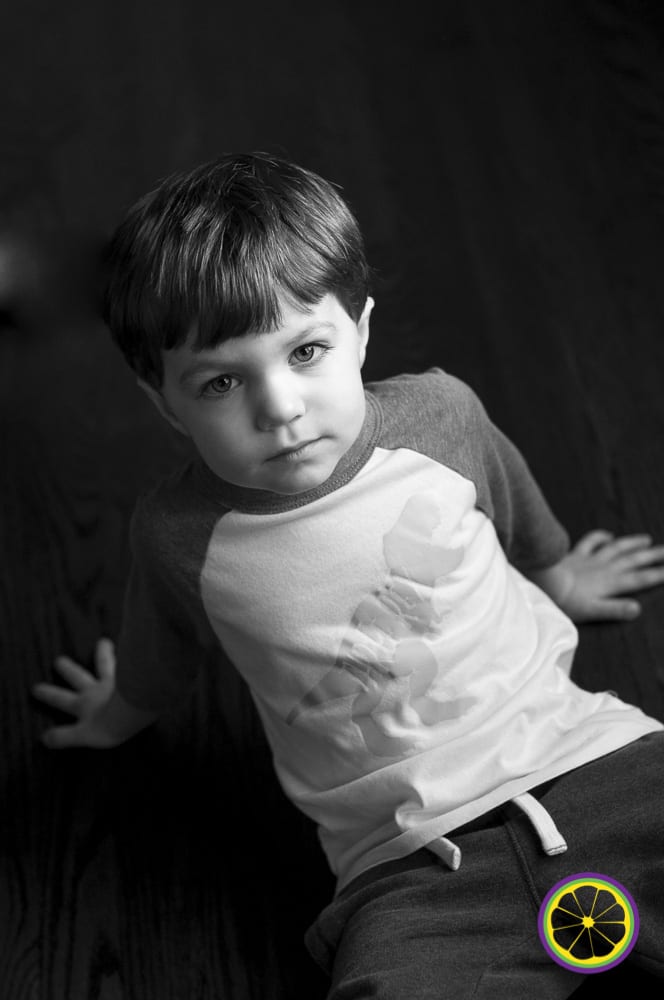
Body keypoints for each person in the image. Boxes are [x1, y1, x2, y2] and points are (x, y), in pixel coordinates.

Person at [32, 152, 664, 997]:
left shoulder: (438, 416)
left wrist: (557, 573)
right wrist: (113, 718)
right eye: (221, 381)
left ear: (360, 331)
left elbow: (507, 491)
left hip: (601, 765)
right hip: (412, 870)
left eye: (307, 352)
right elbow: (161, 657)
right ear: (164, 403)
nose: (280, 408)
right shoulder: (180, 537)